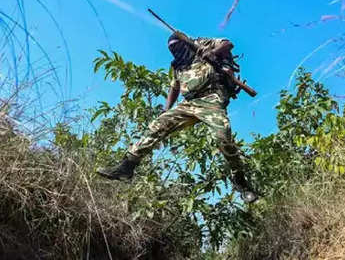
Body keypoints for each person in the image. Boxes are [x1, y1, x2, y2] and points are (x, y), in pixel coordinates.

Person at [96, 33, 258, 203]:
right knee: (158, 125)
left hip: (211, 98)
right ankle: (127, 167)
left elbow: (228, 43)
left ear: (185, 43)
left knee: (223, 137)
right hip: (190, 103)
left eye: (177, 47)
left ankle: (241, 183)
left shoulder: (202, 44)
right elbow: (174, 88)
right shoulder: (177, 66)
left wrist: (213, 52)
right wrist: (166, 109)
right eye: (171, 49)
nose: (175, 51)